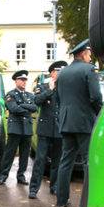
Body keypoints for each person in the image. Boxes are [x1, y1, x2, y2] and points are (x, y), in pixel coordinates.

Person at [54, 40, 103, 207]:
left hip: (67, 122)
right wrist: (100, 113)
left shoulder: (62, 73)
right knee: (87, 161)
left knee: (65, 161)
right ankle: (89, 202)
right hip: (84, 122)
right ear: (83, 54)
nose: (90, 58)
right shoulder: (89, 70)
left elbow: (58, 99)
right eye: (89, 54)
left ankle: (61, 200)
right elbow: (96, 97)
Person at [28, 60, 67, 199]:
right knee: (40, 159)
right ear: (52, 73)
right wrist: (50, 90)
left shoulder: (66, 88)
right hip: (45, 129)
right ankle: (33, 188)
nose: (61, 73)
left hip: (59, 129)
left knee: (57, 160)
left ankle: (54, 186)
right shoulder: (43, 87)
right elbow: (36, 101)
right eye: (58, 71)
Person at [0, 70, 37, 185]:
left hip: (27, 129)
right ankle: (3, 175)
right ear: (16, 81)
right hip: (15, 128)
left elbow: (35, 108)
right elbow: (14, 109)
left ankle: (21, 176)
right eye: (22, 80)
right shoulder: (10, 95)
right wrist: (27, 109)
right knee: (9, 154)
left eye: (25, 80)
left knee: (24, 155)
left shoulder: (30, 95)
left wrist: (22, 106)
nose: (24, 82)